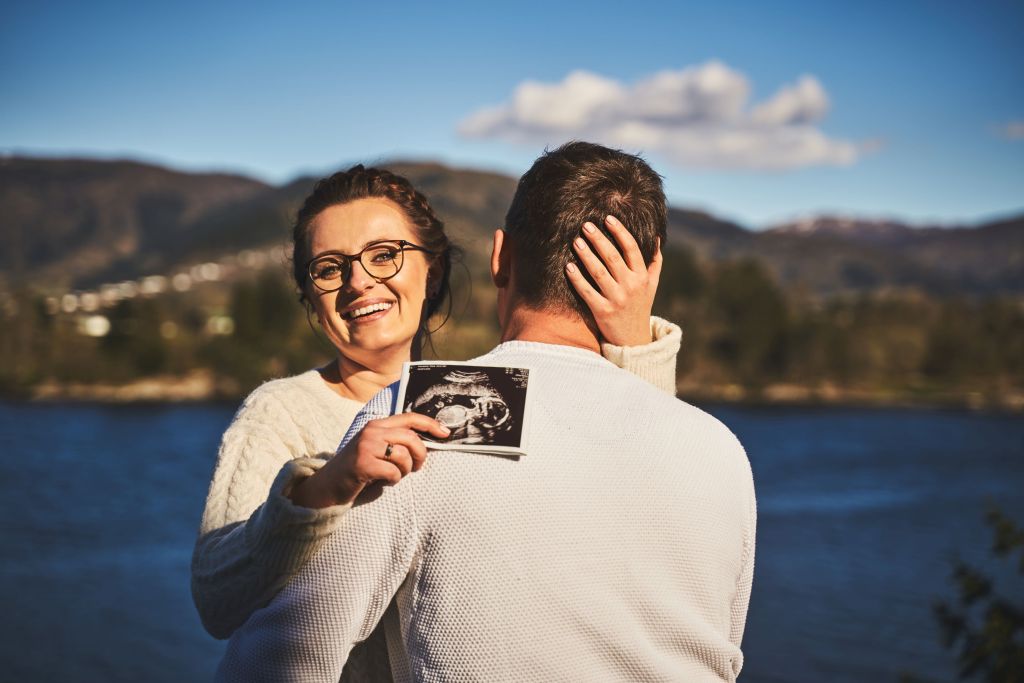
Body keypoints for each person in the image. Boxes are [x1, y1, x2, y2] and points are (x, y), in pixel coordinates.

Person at [217, 142, 756, 682]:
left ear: (495, 259)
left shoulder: (437, 406)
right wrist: (320, 490)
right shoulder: (721, 450)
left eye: (384, 255)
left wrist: (636, 355)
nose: (359, 282)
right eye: (330, 268)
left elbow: (283, 659)